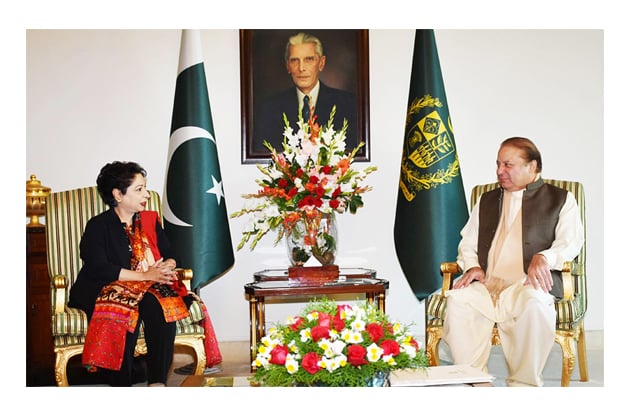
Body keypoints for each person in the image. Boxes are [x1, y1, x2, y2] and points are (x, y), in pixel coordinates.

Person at [441, 137, 584, 387]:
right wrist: (473, 265)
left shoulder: (561, 199)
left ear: (533, 166)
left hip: (525, 284)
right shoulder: (486, 199)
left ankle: (523, 386)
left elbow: (570, 242)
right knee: (458, 301)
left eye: (508, 165)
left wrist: (544, 257)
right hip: (487, 284)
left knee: (536, 304)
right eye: (498, 164)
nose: (499, 171)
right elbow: (468, 242)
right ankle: (476, 382)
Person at [68, 161, 209, 386]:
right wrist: (146, 276)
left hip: (145, 288)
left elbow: (172, 253)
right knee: (125, 309)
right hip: (103, 286)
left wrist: (168, 265)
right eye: (139, 189)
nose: (146, 194)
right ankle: (122, 384)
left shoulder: (149, 222)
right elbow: (99, 267)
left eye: (145, 188)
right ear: (118, 194)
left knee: (161, 306)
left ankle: (157, 382)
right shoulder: (98, 225)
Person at [254, 32, 358, 153]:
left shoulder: (347, 104)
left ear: (321, 63)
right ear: (288, 66)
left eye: (309, 59)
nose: (301, 68)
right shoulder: (270, 108)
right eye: (294, 60)